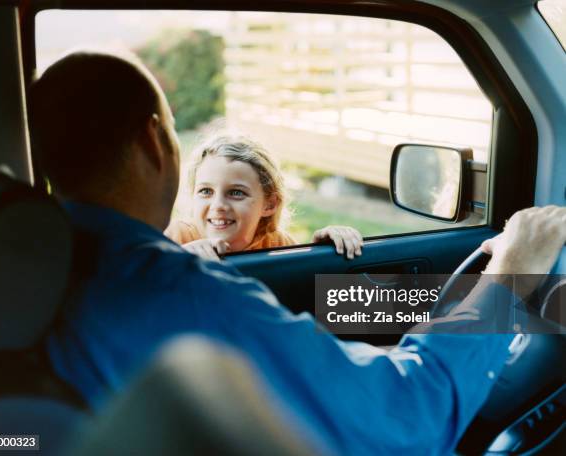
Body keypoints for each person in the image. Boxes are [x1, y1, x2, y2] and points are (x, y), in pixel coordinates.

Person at [29, 50, 566, 455]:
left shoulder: (47, 267)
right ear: (153, 142)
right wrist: (514, 269)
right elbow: (409, 416)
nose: (218, 205)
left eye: (237, 193)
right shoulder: (180, 292)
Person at [165, 134, 363, 260]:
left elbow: (300, 288)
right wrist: (179, 260)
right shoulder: (176, 238)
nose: (218, 205)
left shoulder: (276, 243)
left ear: (270, 204)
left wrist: (321, 252)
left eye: (236, 193)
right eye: (206, 191)